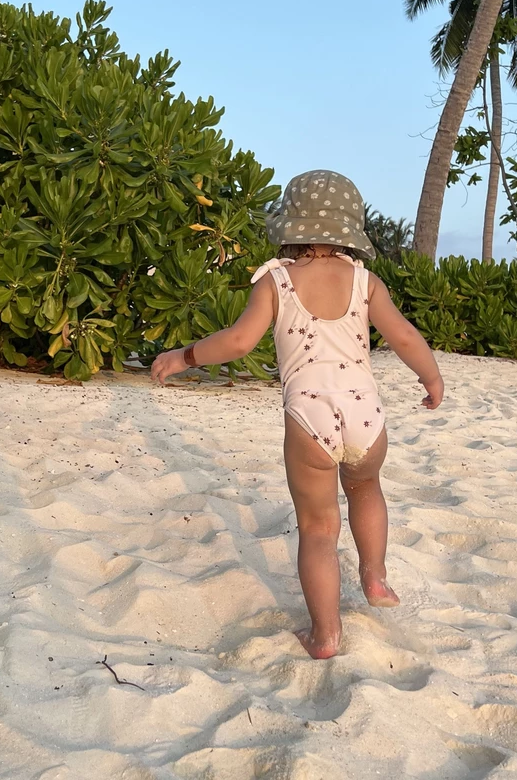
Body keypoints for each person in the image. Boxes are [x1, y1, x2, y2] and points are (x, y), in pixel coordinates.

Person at [151, 170, 444, 659]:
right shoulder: (365, 282)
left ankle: (326, 635)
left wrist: (184, 357)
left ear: (291, 226)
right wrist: (431, 379)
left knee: (318, 529)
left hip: (310, 417)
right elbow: (406, 337)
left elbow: (240, 341)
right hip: (366, 414)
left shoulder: (276, 281)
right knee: (367, 488)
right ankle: (374, 577)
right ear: (349, 230)